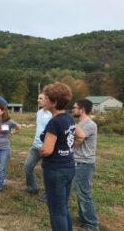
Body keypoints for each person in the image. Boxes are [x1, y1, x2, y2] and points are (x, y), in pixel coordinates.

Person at [39, 82, 85, 231]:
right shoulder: (69, 118)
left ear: (54, 102)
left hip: (55, 170)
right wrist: (67, 148)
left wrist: (40, 149)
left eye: (46, 98)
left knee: (56, 211)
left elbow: (47, 150)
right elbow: (80, 136)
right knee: (62, 207)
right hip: (69, 166)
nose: (43, 100)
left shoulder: (54, 122)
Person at [72, 99, 99, 231]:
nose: (73, 109)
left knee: (84, 194)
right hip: (78, 161)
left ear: (81, 109)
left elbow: (78, 139)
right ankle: (84, 218)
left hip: (84, 163)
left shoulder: (89, 124)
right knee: (80, 192)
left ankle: (92, 225)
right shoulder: (81, 123)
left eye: (74, 107)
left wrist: (69, 148)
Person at [22, 93, 52, 194]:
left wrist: (47, 145)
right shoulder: (39, 112)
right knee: (27, 166)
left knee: (47, 171)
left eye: (41, 98)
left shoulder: (52, 114)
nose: (38, 100)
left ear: (47, 100)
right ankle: (32, 188)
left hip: (46, 147)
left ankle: (48, 194)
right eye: (38, 98)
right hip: (35, 146)